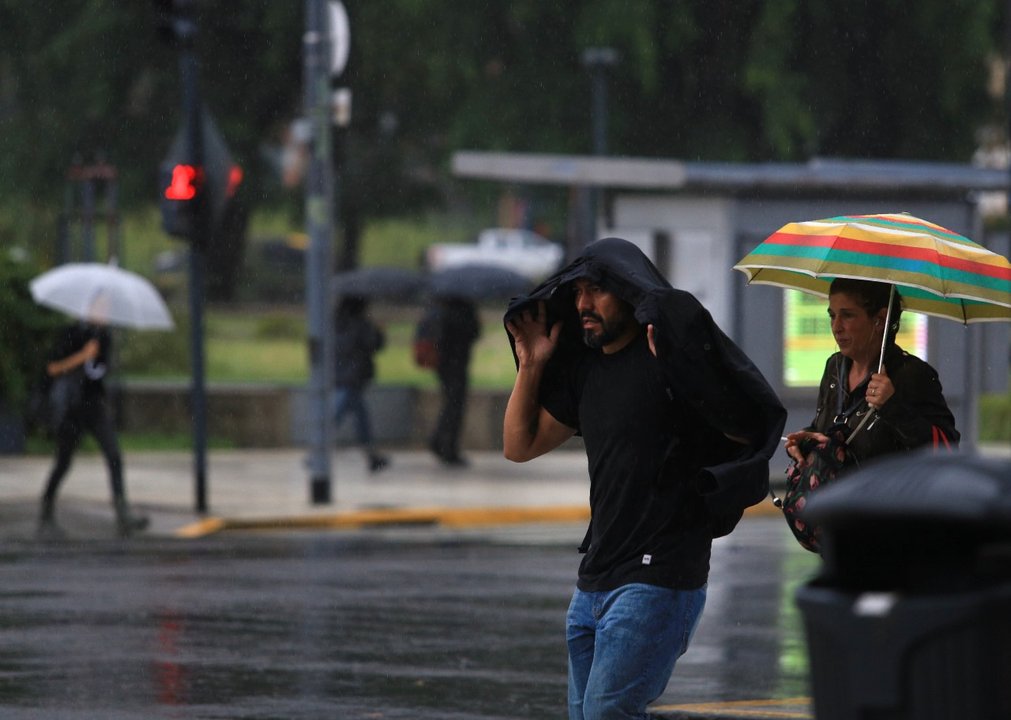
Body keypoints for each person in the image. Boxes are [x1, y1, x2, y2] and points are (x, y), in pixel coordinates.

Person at [502, 237, 786, 720]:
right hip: (593, 581)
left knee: (607, 713)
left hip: (660, 577)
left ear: (629, 294)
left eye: (597, 291)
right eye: (578, 293)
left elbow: (742, 427)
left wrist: (683, 366)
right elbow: (518, 445)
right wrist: (531, 364)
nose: (583, 304)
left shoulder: (670, 361)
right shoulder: (587, 372)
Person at [785, 278, 959, 470]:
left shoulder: (912, 374)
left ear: (880, 320)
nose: (836, 327)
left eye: (847, 316)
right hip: (836, 497)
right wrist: (806, 441)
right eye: (832, 316)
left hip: (885, 498)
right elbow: (826, 430)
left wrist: (892, 406)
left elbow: (947, 450)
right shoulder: (834, 366)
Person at [39, 297, 148, 539]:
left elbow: (100, 372)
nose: (104, 312)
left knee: (113, 455)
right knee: (63, 461)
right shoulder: (71, 333)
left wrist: (98, 355)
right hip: (71, 407)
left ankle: (122, 512)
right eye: (99, 307)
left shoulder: (104, 337)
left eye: (107, 308)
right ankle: (46, 509)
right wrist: (82, 356)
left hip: (94, 406)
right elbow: (53, 369)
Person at [421, 296, 480, 466]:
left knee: (450, 404)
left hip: (444, 365)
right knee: (454, 407)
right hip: (457, 365)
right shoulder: (464, 312)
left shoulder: (439, 309)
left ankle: (439, 441)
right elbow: (474, 332)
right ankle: (446, 446)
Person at [333, 295, 389, 473]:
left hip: (339, 374)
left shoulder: (335, 323)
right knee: (336, 414)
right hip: (354, 377)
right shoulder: (361, 324)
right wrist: (379, 330)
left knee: (361, 419)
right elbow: (375, 344)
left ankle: (372, 456)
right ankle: (316, 453)